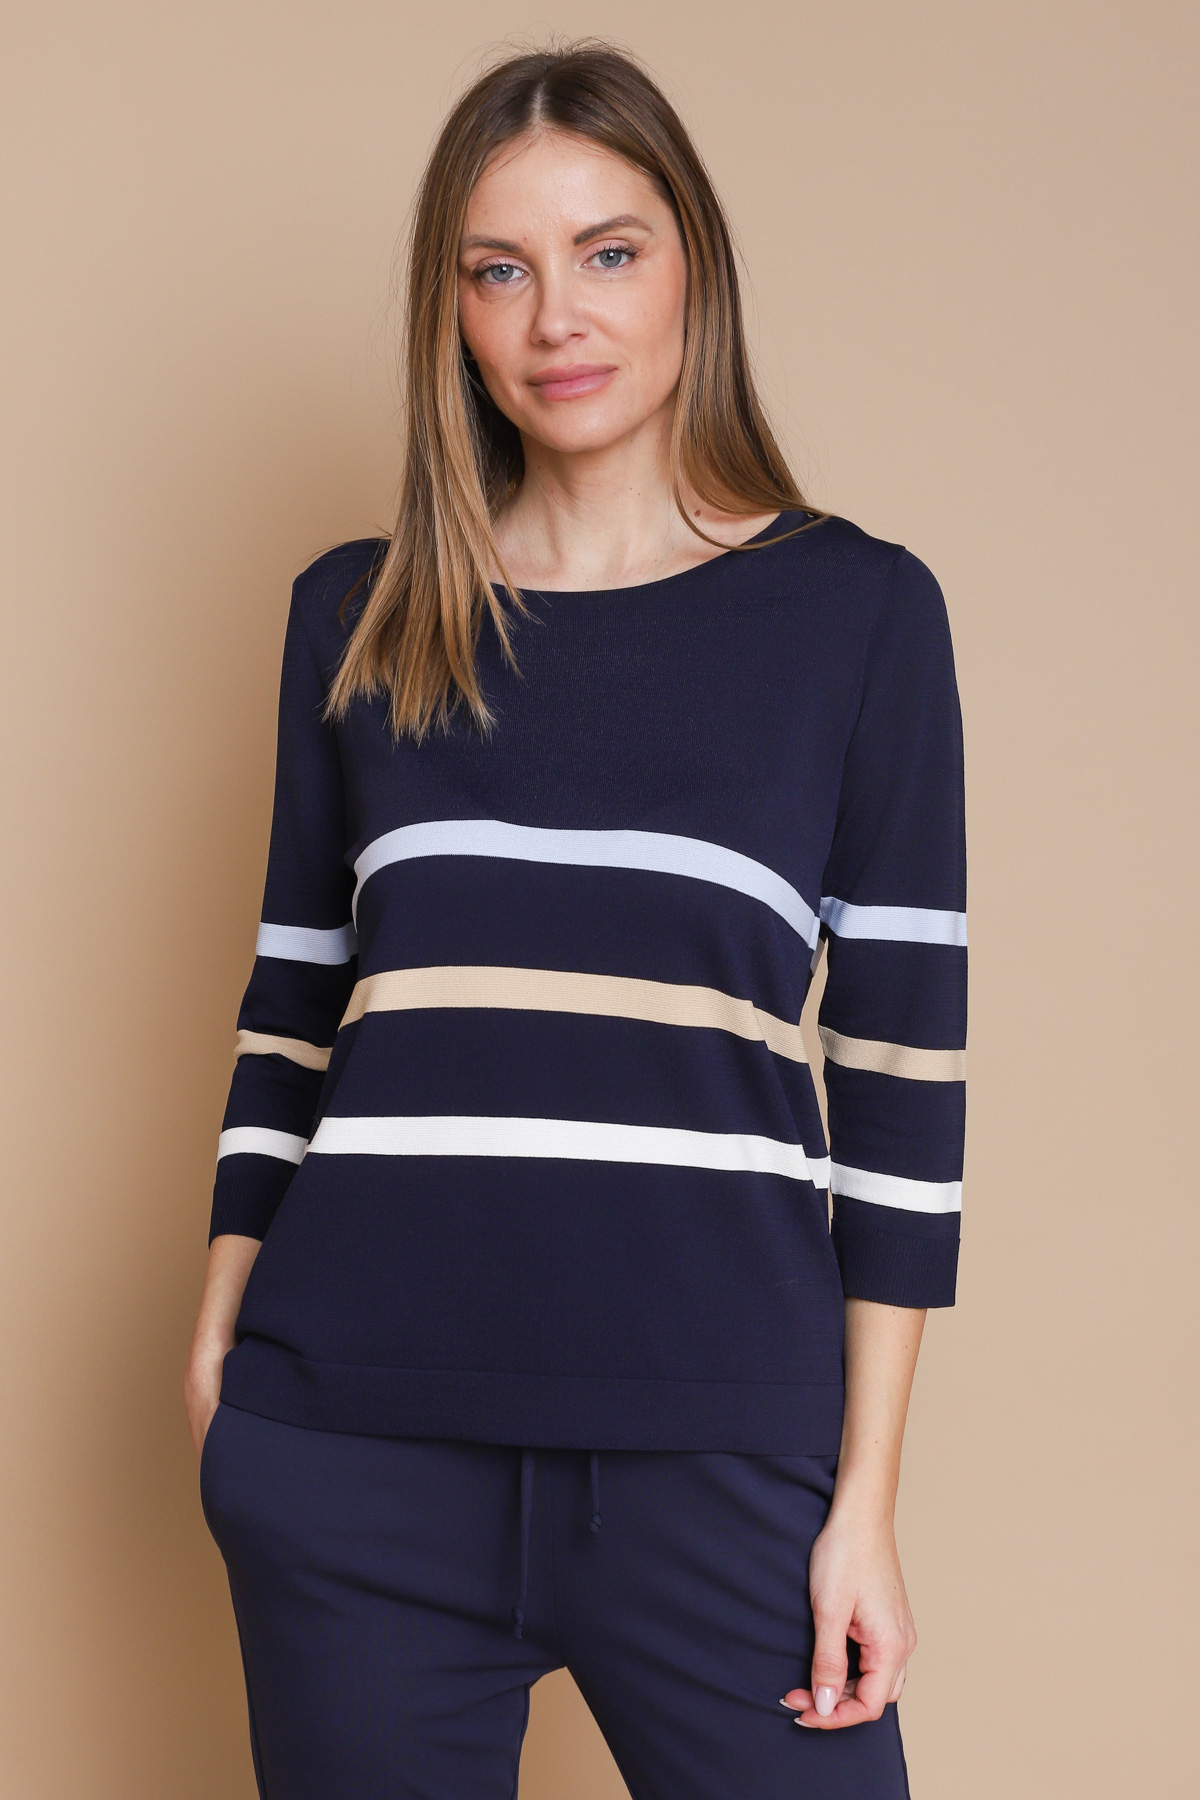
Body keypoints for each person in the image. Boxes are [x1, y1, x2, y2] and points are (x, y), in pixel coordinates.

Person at [184, 39, 966, 1800]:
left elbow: (904, 1084)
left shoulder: (857, 618)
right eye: (500, 270)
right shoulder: (358, 618)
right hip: (354, 1445)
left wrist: (863, 1504)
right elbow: (294, 1007)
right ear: (452, 313)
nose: (558, 317)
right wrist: (220, 1352)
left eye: (610, 252)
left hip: (717, 1453)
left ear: (695, 266)